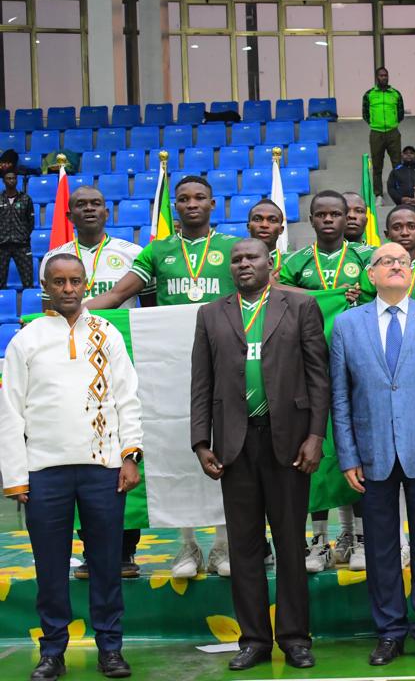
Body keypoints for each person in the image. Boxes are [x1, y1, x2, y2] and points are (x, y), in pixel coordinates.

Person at [84, 176, 240, 579]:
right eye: (183, 199)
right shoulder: (159, 250)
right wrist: (71, 311)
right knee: (179, 447)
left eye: (199, 198)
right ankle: (187, 546)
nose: (191, 204)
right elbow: (117, 297)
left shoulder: (231, 248)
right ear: (175, 207)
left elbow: (270, 291)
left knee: (226, 446)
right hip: (175, 365)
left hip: (227, 360)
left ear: (212, 204)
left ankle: (224, 546)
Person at [0, 254, 142, 681]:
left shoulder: (107, 332)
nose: (67, 289)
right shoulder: (25, 340)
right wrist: (15, 476)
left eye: (75, 281)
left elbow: (127, 397)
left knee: (105, 564)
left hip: (102, 466)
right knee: (49, 567)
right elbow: (11, 412)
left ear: (86, 285)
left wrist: (130, 456)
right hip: (44, 471)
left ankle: (111, 649)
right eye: (59, 282)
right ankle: (52, 651)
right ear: (46, 285)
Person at [189, 239, 327, 671]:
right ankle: (253, 640)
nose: (244, 264)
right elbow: (201, 383)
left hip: (287, 441)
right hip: (235, 444)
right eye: (237, 259)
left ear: (272, 263)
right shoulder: (211, 313)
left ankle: (294, 637)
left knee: (290, 544)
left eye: (252, 258)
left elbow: (318, 377)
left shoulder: (299, 306)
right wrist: (200, 441)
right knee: (244, 548)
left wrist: (315, 435)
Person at [330, 241, 415, 667]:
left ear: (412, 271)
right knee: (380, 548)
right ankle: (389, 630)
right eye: (384, 262)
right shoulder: (347, 325)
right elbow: (340, 396)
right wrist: (349, 455)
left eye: (401, 262)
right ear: (370, 274)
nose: (394, 267)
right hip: (370, 455)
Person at [41, 186, 149, 581]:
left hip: (121, 357)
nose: (89, 209)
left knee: (122, 442)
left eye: (96, 204)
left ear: (108, 210)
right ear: (69, 214)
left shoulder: (132, 254)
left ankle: (126, 550)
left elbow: (148, 309)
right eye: (81, 205)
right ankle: (90, 550)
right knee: (84, 446)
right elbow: (47, 313)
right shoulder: (55, 257)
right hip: (75, 364)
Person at [279, 190, 372, 572]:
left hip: (357, 363)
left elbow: (383, 289)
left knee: (357, 446)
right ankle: (319, 539)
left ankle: (361, 537)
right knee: (313, 446)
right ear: (312, 219)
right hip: (309, 364)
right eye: (322, 214)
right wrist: (319, 296)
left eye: (337, 213)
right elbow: (276, 291)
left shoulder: (366, 258)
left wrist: (359, 293)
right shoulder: (297, 261)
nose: (331, 220)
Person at [362, 67, 405, 199]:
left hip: (393, 133)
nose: (384, 78)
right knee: (377, 165)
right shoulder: (369, 94)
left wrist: (393, 123)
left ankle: (399, 192)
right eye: (381, 75)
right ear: (376, 77)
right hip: (376, 133)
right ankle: (378, 195)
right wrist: (375, 124)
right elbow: (365, 114)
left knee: (397, 164)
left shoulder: (395, 94)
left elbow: (400, 113)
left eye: (386, 75)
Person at [0, 169, 34, 289]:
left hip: (22, 245)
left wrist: (23, 234)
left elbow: (31, 222)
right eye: (8, 178)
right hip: (2, 245)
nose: (11, 180)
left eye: (14, 178)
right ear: (4, 181)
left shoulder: (26, 199)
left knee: (28, 281)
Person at [246, 199, 287, 275]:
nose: (264, 225)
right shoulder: (236, 263)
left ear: (281, 230)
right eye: (257, 219)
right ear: (248, 227)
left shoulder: (292, 262)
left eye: (272, 220)